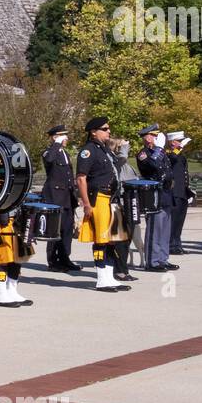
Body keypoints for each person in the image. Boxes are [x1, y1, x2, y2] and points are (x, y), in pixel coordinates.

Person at [75, 117, 129, 292]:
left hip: (110, 199)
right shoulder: (88, 151)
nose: (109, 131)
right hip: (97, 198)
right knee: (101, 240)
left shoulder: (105, 150)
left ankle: (110, 277)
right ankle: (101, 279)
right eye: (105, 129)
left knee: (111, 240)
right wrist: (86, 204)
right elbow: (81, 178)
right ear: (93, 131)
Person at [135, 124, 176, 272]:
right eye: (155, 135)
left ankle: (162, 259)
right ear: (147, 137)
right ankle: (152, 261)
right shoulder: (143, 154)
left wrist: (159, 150)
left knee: (165, 229)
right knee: (154, 229)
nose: (158, 138)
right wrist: (158, 149)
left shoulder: (159, 152)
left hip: (165, 193)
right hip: (154, 195)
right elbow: (153, 166)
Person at [40, 124, 81, 272]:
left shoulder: (65, 153)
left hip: (67, 197)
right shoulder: (48, 152)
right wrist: (56, 143)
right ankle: (53, 261)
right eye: (63, 136)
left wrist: (76, 195)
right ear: (55, 137)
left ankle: (65, 258)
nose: (67, 138)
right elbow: (49, 160)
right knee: (54, 230)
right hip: (54, 197)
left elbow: (69, 177)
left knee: (67, 229)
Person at [105, 135, 138, 282]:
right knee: (121, 239)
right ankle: (119, 271)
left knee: (127, 237)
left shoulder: (120, 162)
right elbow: (121, 160)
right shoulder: (113, 159)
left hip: (129, 202)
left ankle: (122, 269)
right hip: (119, 202)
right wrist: (124, 148)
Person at [164, 131, 191, 256]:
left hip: (182, 192)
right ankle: (171, 245)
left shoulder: (180, 155)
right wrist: (179, 148)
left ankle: (177, 244)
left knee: (179, 221)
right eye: (179, 141)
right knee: (173, 221)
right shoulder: (168, 154)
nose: (181, 144)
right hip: (174, 192)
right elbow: (172, 159)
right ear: (172, 142)